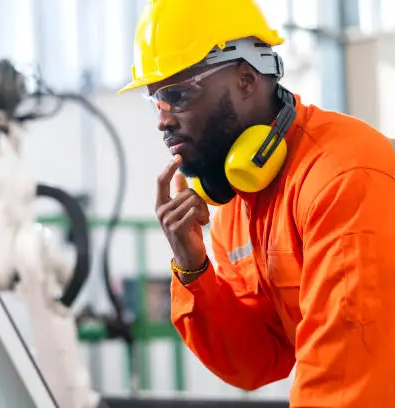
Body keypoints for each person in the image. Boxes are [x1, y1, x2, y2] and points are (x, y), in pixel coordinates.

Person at [119, 0, 395, 406]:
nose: (163, 119)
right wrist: (194, 268)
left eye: (176, 95)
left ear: (246, 78)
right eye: (155, 102)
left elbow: (349, 383)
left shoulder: (343, 177)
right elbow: (257, 360)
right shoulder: (235, 202)